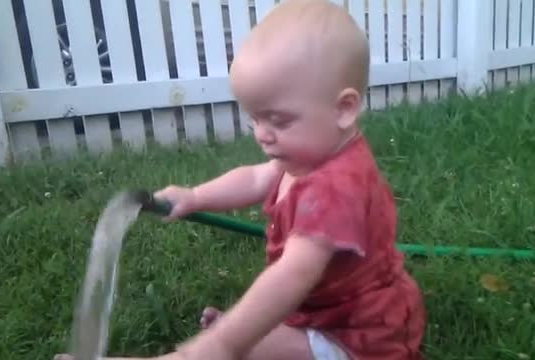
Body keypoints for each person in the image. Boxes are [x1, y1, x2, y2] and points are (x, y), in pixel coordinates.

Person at [55, 1, 424, 359]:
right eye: (254, 120)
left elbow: (292, 276)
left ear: (343, 109)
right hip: (321, 314)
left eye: (278, 121)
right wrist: (196, 195)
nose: (262, 135)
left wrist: (224, 344)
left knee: (235, 346)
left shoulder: (337, 189)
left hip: (356, 337)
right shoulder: (309, 153)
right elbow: (255, 178)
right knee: (240, 336)